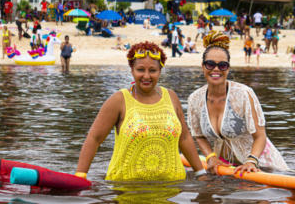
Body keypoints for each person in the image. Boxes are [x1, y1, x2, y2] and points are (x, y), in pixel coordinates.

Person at [75, 41, 206, 181]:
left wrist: (200, 173)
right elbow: (94, 139)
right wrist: (80, 176)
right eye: (141, 70)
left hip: (172, 188)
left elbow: (184, 138)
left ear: (160, 71)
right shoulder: (119, 100)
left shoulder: (171, 97)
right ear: (132, 70)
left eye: (153, 70)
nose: (146, 76)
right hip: (125, 188)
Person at [187, 31, 288, 176]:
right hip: (226, 167)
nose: (216, 69)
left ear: (228, 68)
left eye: (222, 65)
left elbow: (260, 136)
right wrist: (211, 157)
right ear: (203, 66)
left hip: (262, 166)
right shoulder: (194, 99)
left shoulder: (243, 94)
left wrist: (251, 161)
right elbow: (199, 135)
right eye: (210, 64)